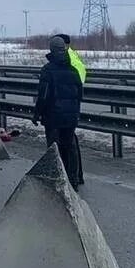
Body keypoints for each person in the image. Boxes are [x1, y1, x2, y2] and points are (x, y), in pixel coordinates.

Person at [33, 36, 83, 188]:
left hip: (53, 117)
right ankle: (73, 181)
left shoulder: (48, 70)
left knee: (54, 149)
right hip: (71, 117)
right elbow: (79, 94)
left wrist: (37, 114)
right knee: (69, 147)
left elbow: (43, 95)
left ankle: (56, 179)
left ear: (51, 50)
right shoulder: (74, 70)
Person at [52, 33, 86, 184]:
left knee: (68, 144)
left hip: (65, 105)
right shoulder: (72, 55)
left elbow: (76, 80)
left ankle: (72, 178)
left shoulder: (68, 58)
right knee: (71, 142)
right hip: (71, 105)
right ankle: (77, 176)